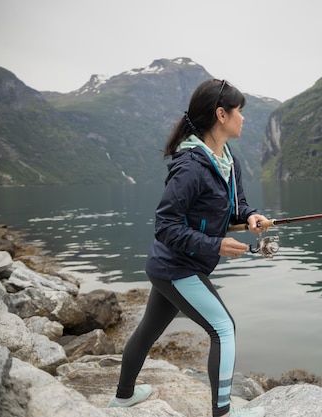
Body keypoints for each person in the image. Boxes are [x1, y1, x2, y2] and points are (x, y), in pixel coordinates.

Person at [107, 79, 267, 417]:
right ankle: (223, 413)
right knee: (223, 328)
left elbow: (237, 206)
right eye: (240, 111)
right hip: (177, 267)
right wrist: (215, 244)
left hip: (174, 266)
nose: (244, 118)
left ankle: (123, 397)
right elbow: (166, 226)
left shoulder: (228, 160)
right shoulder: (190, 167)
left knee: (148, 330)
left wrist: (251, 216)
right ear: (221, 115)